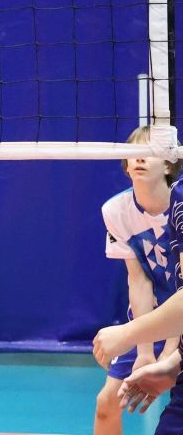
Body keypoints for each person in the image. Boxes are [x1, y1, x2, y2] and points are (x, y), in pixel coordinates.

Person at [93, 133, 183, 433]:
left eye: (150, 151)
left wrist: (171, 352)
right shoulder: (116, 211)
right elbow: (139, 280)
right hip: (150, 320)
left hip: (178, 315)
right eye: (134, 151)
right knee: (107, 403)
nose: (140, 157)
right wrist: (144, 352)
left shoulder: (180, 206)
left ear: (169, 163)